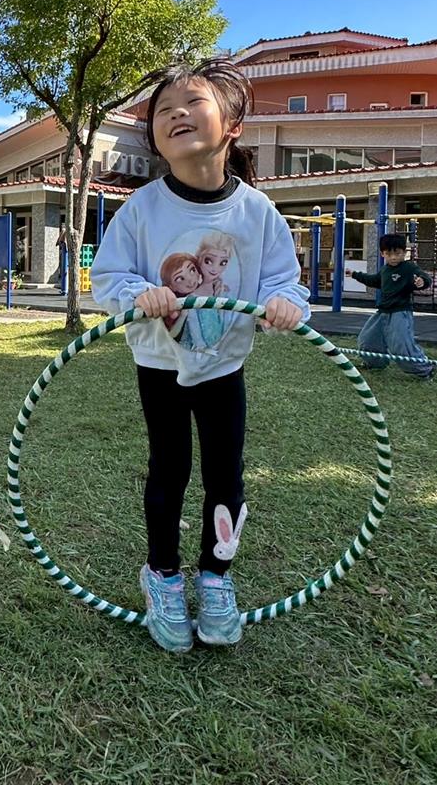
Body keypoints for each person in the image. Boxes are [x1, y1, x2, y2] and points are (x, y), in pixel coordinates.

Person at [91, 58, 309, 652]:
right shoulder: (142, 209)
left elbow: (284, 281)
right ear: (155, 137)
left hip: (223, 367)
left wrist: (284, 305)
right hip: (159, 366)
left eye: (193, 103)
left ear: (232, 124)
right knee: (169, 469)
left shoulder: (256, 211)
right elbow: (107, 278)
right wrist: (142, 293)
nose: (176, 114)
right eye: (163, 110)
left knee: (225, 473)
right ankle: (162, 574)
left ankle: (216, 576)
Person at [345, 234, 433, 379]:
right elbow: (373, 280)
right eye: (389, 254)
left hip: (400, 312)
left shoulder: (409, 267)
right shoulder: (385, 269)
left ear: (404, 252)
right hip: (382, 312)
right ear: (382, 254)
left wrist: (422, 282)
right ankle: (375, 364)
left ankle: (424, 369)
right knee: (367, 340)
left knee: (400, 345)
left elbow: (425, 278)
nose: (393, 257)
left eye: (397, 254)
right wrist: (355, 274)